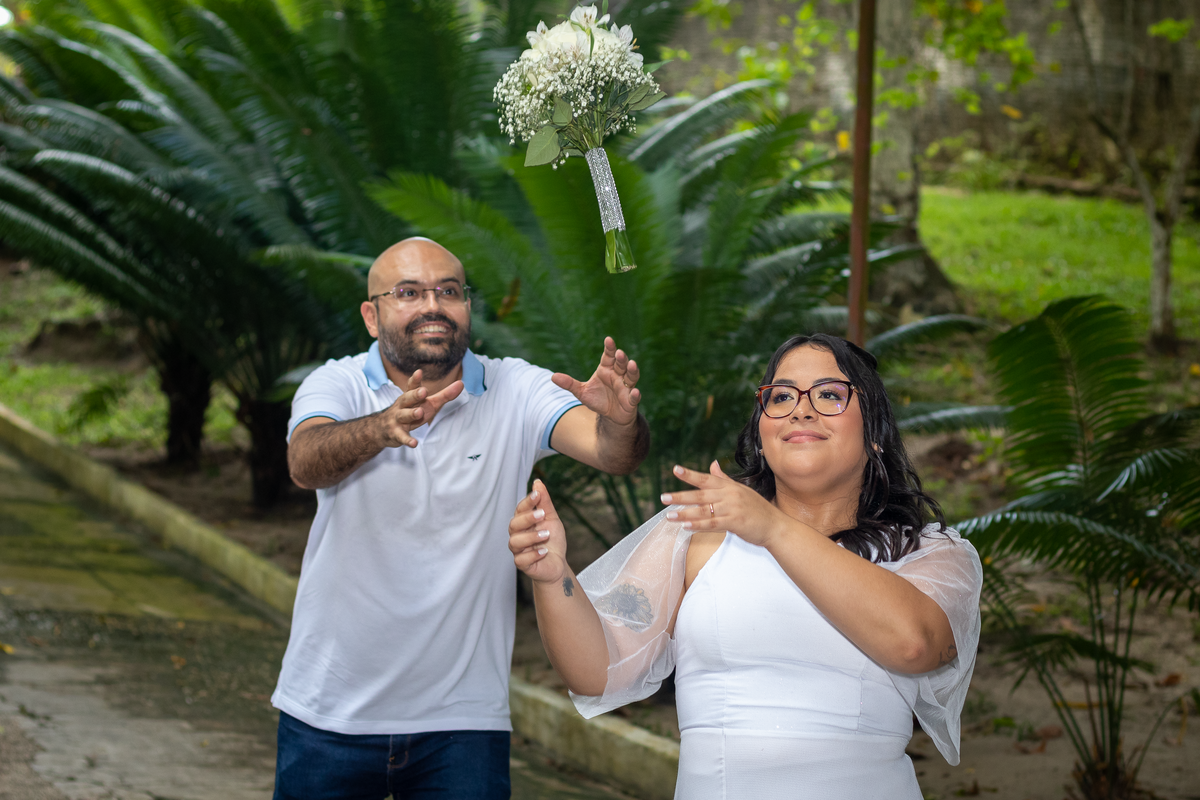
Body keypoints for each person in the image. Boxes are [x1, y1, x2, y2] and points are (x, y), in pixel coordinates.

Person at [508, 333, 982, 799]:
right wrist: (554, 578)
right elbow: (598, 672)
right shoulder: (698, 533)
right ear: (762, 430)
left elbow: (914, 645)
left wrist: (772, 528)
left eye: (830, 395)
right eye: (781, 396)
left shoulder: (930, 553)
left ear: (875, 434)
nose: (801, 408)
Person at [271, 237, 649, 800]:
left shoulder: (513, 388)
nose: (433, 304)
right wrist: (382, 426)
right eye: (409, 292)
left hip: (463, 722)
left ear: (467, 308)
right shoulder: (338, 384)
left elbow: (611, 453)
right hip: (329, 713)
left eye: (449, 291)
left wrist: (620, 422)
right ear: (372, 316)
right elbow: (305, 461)